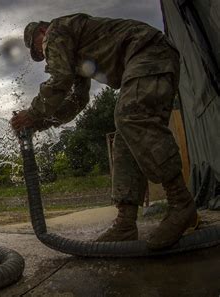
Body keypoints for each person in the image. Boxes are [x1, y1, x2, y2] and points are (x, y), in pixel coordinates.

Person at [11, 14, 198, 250]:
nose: (45, 55)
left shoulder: (55, 31)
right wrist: (40, 123)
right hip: (143, 58)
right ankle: (125, 223)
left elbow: (60, 78)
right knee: (126, 134)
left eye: (41, 52)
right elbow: (78, 100)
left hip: (148, 50)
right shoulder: (75, 53)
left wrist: (33, 113)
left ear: (41, 33)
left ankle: (181, 202)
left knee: (130, 116)